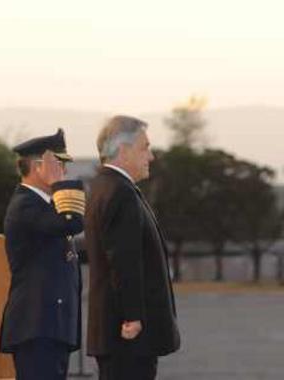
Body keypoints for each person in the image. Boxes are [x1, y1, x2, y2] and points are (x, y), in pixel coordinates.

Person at [85, 115, 180, 380]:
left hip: (121, 334)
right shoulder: (119, 193)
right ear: (124, 151)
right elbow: (124, 260)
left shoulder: (107, 186)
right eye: (145, 147)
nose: (150, 156)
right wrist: (133, 317)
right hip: (128, 336)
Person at [0, 129, 86, 380]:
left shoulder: (42, 205)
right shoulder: (26, 204)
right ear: (39, 167)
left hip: (49, 325)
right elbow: (72, 223)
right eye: (58, 165)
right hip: (37, 326)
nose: (64, 172)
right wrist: (61, 185)